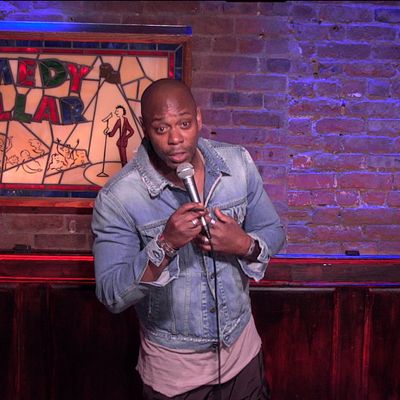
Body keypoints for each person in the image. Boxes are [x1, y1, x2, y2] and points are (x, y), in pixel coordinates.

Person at [92, 78, 286, 399]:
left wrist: (243, 244)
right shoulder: (119, 197)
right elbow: (111, 295)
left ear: (198, 118)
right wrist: (165, 245)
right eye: (161, 128)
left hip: (243, 358)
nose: (175, 139)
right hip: (176, 375)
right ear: (144, 128)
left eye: (184, 124)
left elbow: (274, 232)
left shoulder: (237, 164)